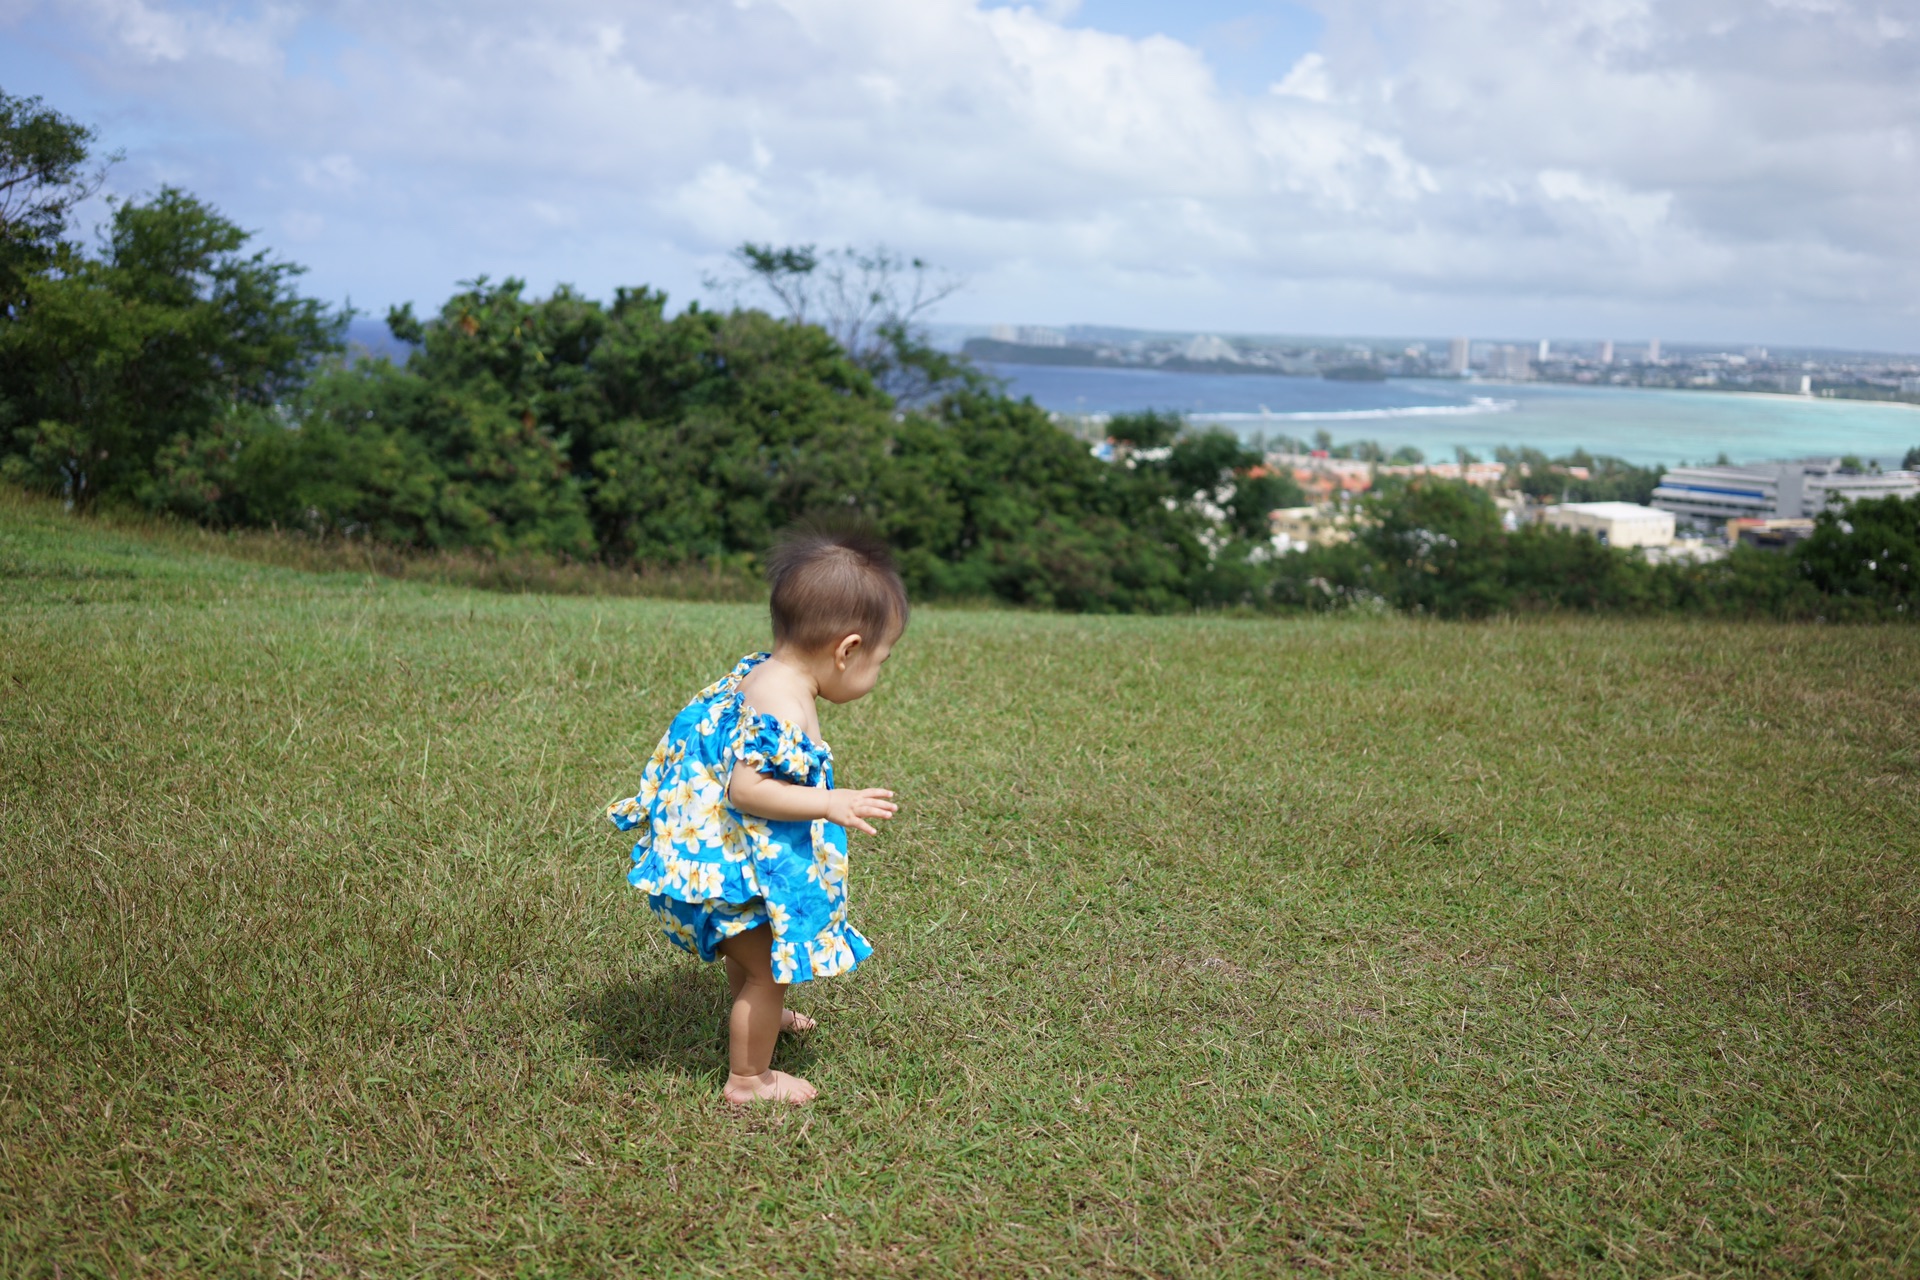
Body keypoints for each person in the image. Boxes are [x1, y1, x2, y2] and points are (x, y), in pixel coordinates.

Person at [607, 523, 906, 1105]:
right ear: (846, 650)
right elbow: (747, 789)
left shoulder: (765, 671)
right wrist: (829, 803)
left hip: (719, 859)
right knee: (770, 967)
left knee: (754, 947)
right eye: (881, 660)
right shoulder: (783, 704)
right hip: (720, 867)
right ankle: (749, 1080)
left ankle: (764, 1017)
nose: (879, 673)